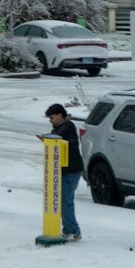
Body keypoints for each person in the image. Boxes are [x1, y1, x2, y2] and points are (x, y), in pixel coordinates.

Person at [45, 102, 83, 241]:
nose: (50, 120)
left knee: (66, 200)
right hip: (63, 169)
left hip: (71, 170)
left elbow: (56, 138)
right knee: (63, 200)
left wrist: (46, 137)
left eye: (52, 117)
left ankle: (73, 231)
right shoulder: (60, 127)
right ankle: (68, 229)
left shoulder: (67, 126)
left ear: (60, 116)